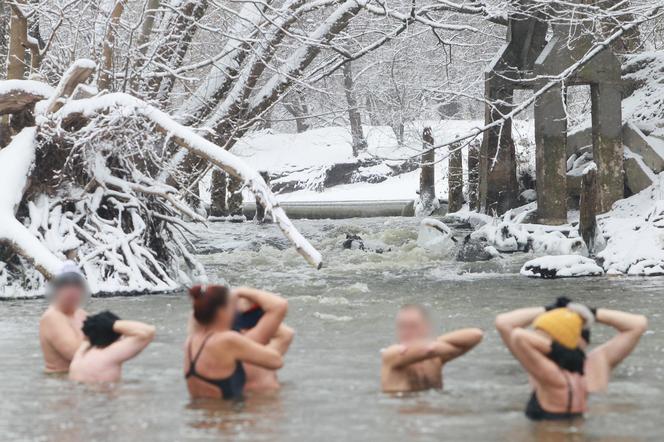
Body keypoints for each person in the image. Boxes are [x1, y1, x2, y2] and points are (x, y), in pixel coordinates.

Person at [495, 297, 648, 421]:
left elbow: (638, 324)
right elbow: (503, 323)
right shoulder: (540, 362)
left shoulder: (541, 364)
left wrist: (590, 313)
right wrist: (552, 309)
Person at [185, 284, 284, 401]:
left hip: (201, 417)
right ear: (221, 311)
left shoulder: (191, 340)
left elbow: (197, 314)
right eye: (232, 307)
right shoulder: (228, 340)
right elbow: (276, 361)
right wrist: (241, 291)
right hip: (229, 417)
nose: (235, 312)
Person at [380, 304, 484, 393]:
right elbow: (427, 349)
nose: (406, 332)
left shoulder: (434, 358)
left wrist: (433, 343)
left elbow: (476, 334)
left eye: (413, 326)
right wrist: (453, 348)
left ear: (426, 328)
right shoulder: (392, 355)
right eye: (402, 327)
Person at [232, 288, 294, 392]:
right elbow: (280, 305)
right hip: (263, 405)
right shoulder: (247, 346)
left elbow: (287, 334)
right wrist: (241, 290)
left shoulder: (223, 347)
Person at [69, 311, 155, 383]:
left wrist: (99, 324)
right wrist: (112, 325)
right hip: (103, 400)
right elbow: (148, 332)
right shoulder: (108, 354)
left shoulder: (81, 351)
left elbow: (89, 331)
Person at [39, 261, 89, 373]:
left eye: (76, 284)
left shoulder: (83, 314)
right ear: (56, 289)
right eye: (65, 284)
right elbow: (75, 355)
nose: (71, 290)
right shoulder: (52, 317)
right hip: (60, 382)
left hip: (81, 380)